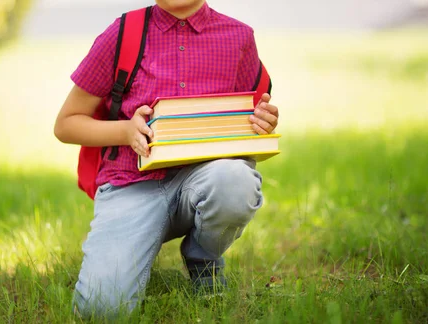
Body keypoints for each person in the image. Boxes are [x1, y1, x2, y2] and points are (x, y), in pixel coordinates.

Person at [53, 0, 279, 318]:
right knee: (102, 310)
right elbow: (66, 124)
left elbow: (246, 131)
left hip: (203, 182)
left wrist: (263, 124)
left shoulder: (238, 37)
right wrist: (125, 131)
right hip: (131, 186)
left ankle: (204, 258)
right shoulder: (123, 34)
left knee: (236, 182)